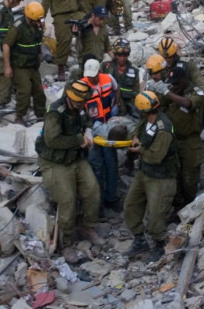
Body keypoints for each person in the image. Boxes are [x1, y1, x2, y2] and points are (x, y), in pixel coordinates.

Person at [35, 80, 103, 249]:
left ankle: (88, 226)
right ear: (71, 98)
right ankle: (66, 241)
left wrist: (88, 132)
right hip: (56, 161)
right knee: (67, 199)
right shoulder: (55, 112)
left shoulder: (81, 107)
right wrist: (79, 140)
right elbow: (52, 140)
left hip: (76, 158)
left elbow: (87, 120)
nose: (83, 105)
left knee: (93, 190)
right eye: (80, 102)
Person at [123, 91, 178, 262]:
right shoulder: (146, 121)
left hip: (162, 177)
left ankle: (159, 245)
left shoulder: (163, 128)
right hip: (144, 172)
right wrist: (134, 137)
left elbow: (156, 157)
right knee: (131, 205)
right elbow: (137, 129)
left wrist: (139, 150)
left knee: (156, 214)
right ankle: (140, 240)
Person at [152, 64, 204, 208]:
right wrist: (156, 91)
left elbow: (187, 103)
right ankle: (178, 206)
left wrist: (168, 93)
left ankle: (190, 206)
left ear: (184, 79)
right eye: (173, 83)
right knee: (174, 175)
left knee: (189, 178)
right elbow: (160, 103)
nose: (174, 85)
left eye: (177, 82)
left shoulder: (196, 92)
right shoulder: (174, 90)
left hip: (190, 142)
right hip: (174, 139)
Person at [81, 58, 121, 212]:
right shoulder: (82, 85)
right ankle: (98, 201)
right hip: (92, 129)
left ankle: (111, 197)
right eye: (89, 76)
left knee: (111, 164)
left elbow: (117, 88)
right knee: (95, 165)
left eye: (94, 76)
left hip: (108, 127)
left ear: (99, 72)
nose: (92, 79)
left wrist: (116, 105)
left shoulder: (108, 79)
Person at [2, 1, 47, 125]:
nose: (39, 22)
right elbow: (6, 45)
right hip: (20, 65)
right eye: (36, 20)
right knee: (25, 91)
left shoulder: (38, 25)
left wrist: (41, 27)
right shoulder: (18, 27)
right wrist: (7, 67)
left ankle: (40, 115)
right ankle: (20, 116)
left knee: (39, 91)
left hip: (33, 64)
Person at [43, 0, 83, 81]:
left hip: (75, 12)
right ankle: (61, 65)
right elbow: (46, 1)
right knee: (64, 39)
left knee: (87, 27)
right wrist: (41, 18)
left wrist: (85, 13)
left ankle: (83, 60)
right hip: (61, 15)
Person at [102, 38, 141, 118]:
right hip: (108, 104)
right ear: (115, 55)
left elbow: (136, 91)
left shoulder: (134, 70)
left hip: (128, 106)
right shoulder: (106, 67)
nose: (122, 59)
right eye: (119, 55)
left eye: (125, 55)